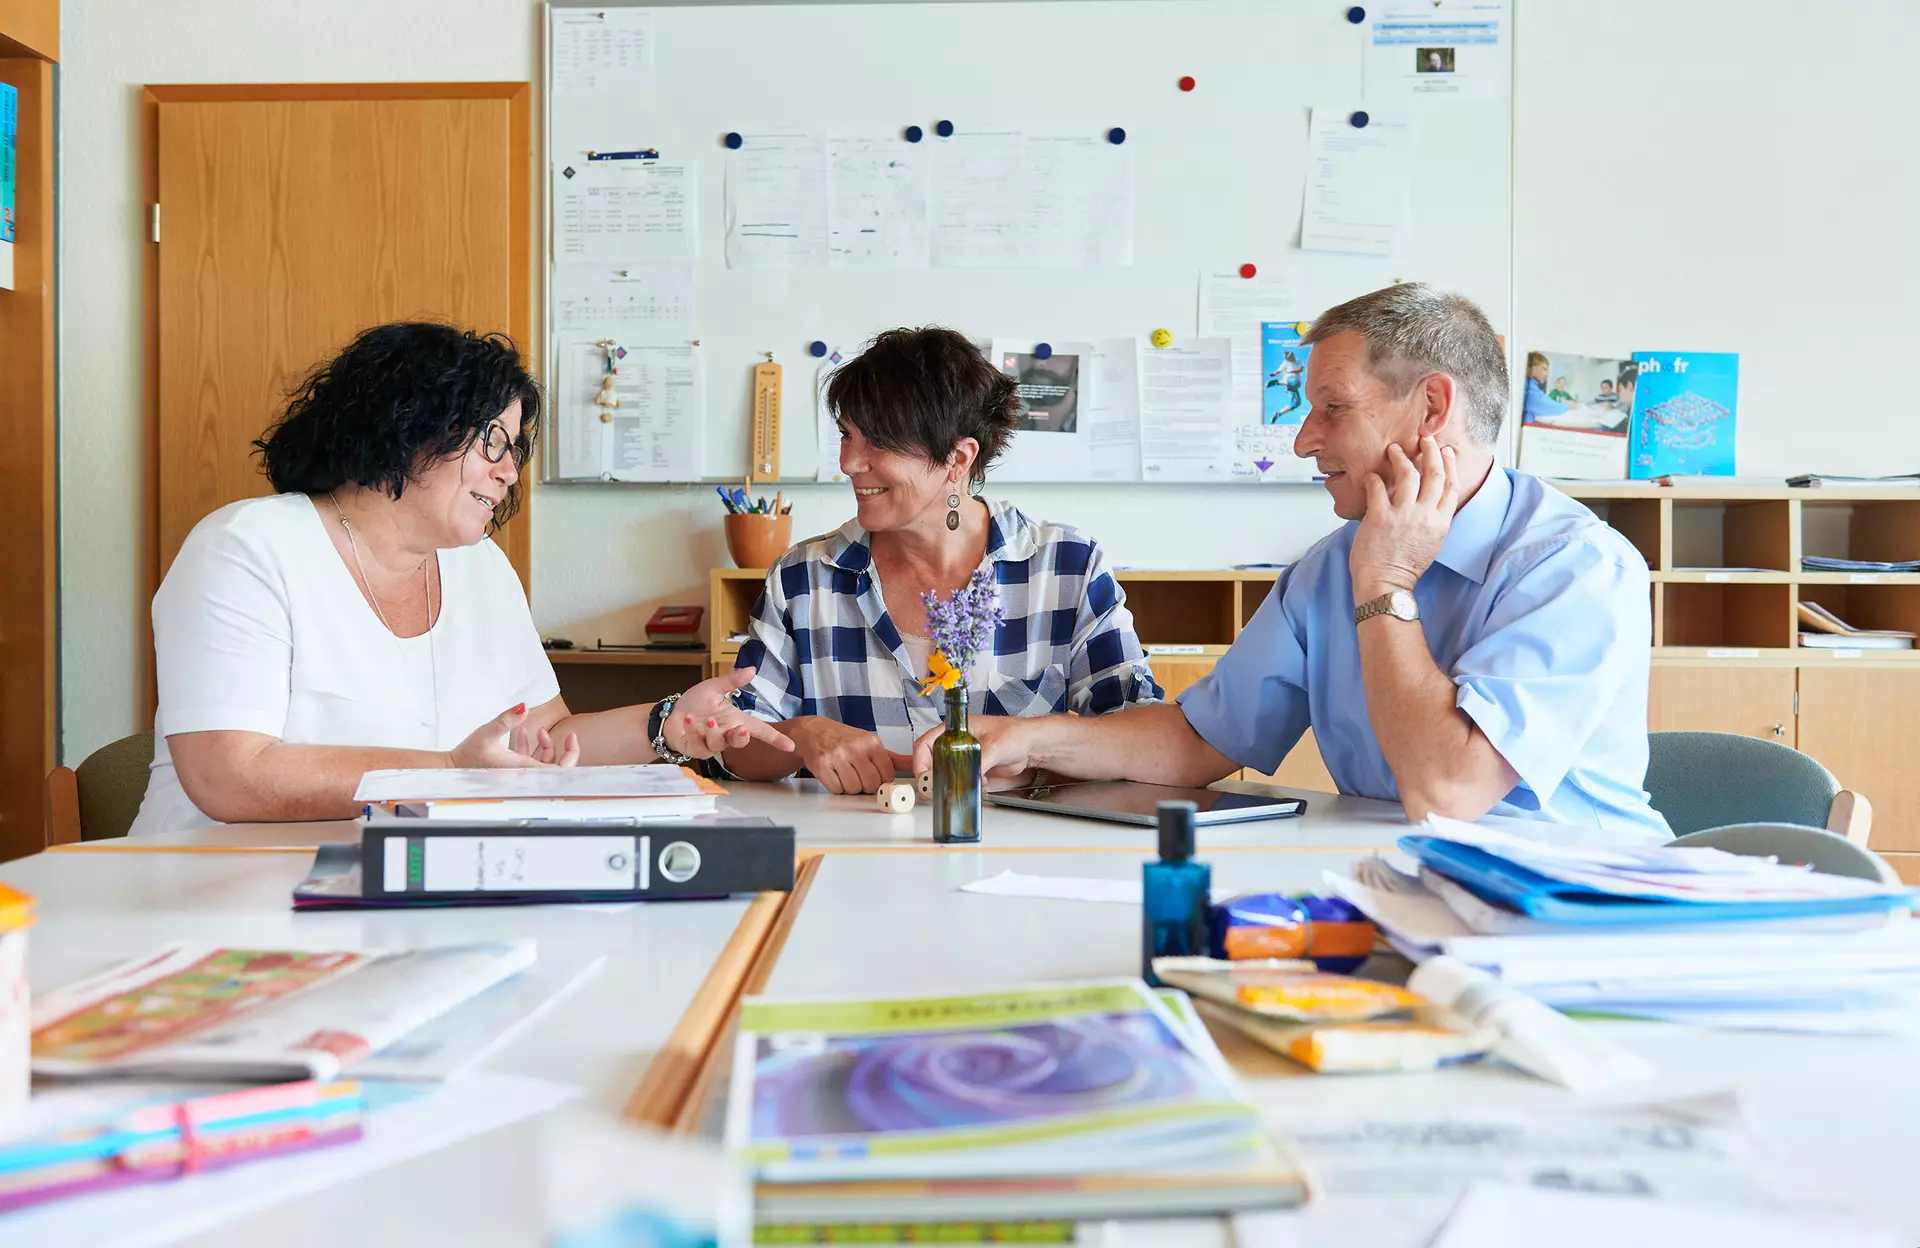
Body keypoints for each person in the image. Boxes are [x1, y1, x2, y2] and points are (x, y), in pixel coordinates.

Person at [915, 285, 1669, 840]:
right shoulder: (1331, 566)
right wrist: (1030, 739)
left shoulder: (1573, 566)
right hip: (1406, 887)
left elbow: (1447, 791)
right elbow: (1201, 739)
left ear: (1433, 408)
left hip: (1579, 913)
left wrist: (1387, 584)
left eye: (1333, 407)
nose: (1305, 440)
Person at [129, 323, 788, 836]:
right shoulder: (246, 546)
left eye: (514, 449)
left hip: (400, 885)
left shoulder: (482, 568)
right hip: (214, 889)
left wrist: (665, 724)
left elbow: (542, 744)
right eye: (492, 441)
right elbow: (229, 775)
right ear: (407, 424)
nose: (509, 473)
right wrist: (449, 773)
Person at [722, 327, 1162, 794]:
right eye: (847, 435)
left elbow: (1142, 735)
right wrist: (802, 734)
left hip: (1014, 838)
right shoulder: (803, 577)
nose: (849, 462)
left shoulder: (1067, 567)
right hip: (851, 835)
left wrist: (1034, 747)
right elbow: (735, 744)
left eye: (878, 442)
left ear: (958, 458)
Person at [1521, 351, 1567, 424]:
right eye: (1544, 369)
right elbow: (1550, 406)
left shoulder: (1531, 385)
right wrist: (1569, 406)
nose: (1547, 374)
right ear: (1529, 368)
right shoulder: (1528, 389)